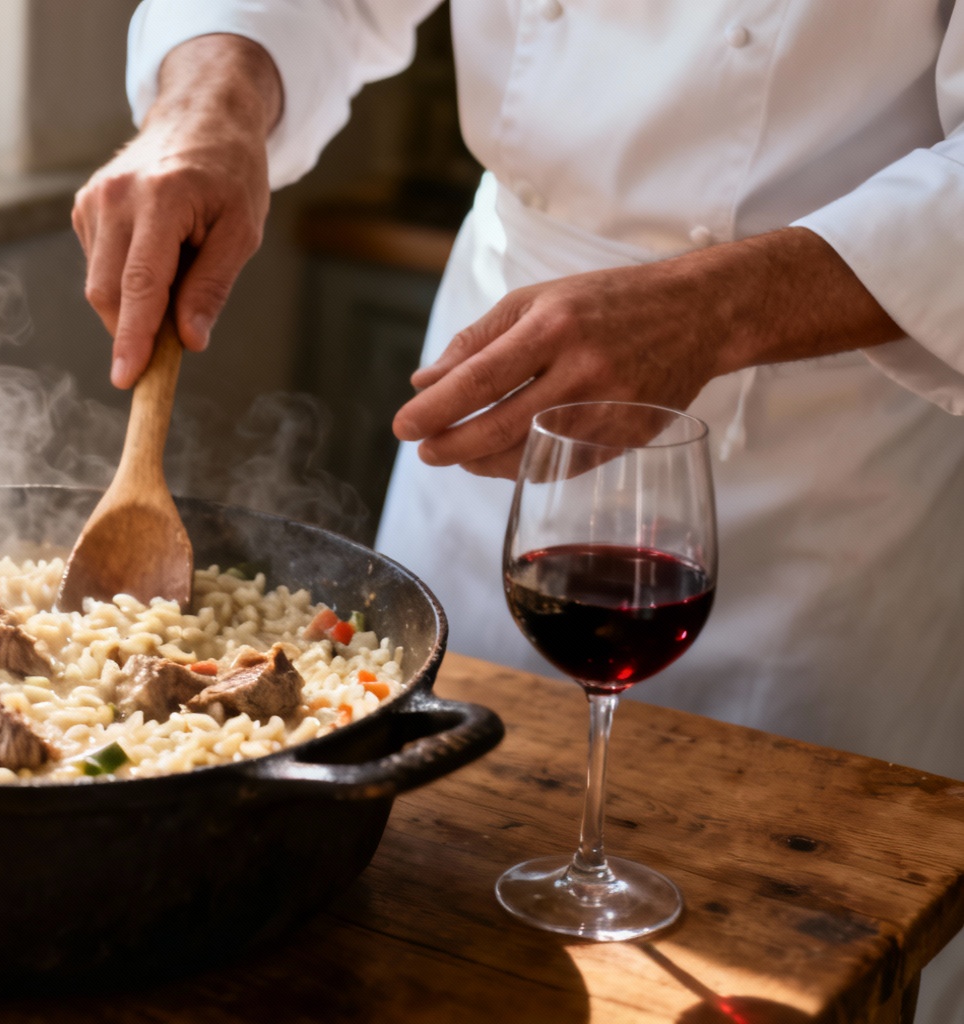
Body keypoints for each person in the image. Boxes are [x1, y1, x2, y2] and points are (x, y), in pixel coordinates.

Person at [73, 4, 964, 1019]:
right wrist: (209, 103)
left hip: (832, 469)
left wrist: (715, 305)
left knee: (791, 957)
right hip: (496, 384)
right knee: (393, 935)